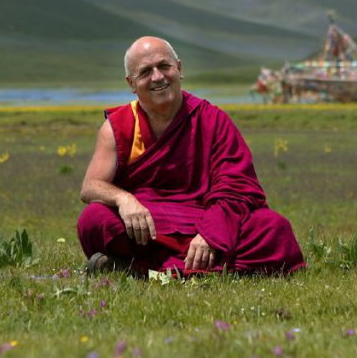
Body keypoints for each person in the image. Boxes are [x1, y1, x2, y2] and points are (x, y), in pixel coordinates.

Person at [77, 36, 305, 276]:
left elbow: (237, 187)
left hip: (205, 218)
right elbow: (90, 187)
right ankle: (197, 268)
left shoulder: (212, 119)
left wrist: (211, 234)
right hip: (149, 226)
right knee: (94, 219)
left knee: (274, 228)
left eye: (164, 66)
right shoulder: (119, 126)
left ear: (179, 69)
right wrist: (125, 200)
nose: (157, 77)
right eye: (145, 72)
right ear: (131, 83)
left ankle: (140, 270)